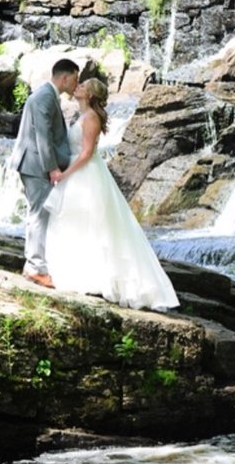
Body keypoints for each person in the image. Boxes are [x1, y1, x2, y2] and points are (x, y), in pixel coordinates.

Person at [44, 77, 179, 311]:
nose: (79, 87)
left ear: (91, 95)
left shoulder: (92, 118)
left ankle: (93, 277)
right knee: (76, 222)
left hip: (85, 174)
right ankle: (77, 272)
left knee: (92, 224)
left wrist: (64, 175)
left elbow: (86, 153)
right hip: (79, 173)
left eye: (83, 86)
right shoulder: (82, 115)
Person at [10, 58, 80, 288]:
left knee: (39, 214)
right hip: (36, 165)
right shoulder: (44, 97)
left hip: (33, 163)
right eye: (75, 79)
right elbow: (42, 136)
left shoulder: (48, 95)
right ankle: (35, 268)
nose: (76, 85)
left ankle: (34, 264)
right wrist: (52, 168)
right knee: (39, 215)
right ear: (65, 77)